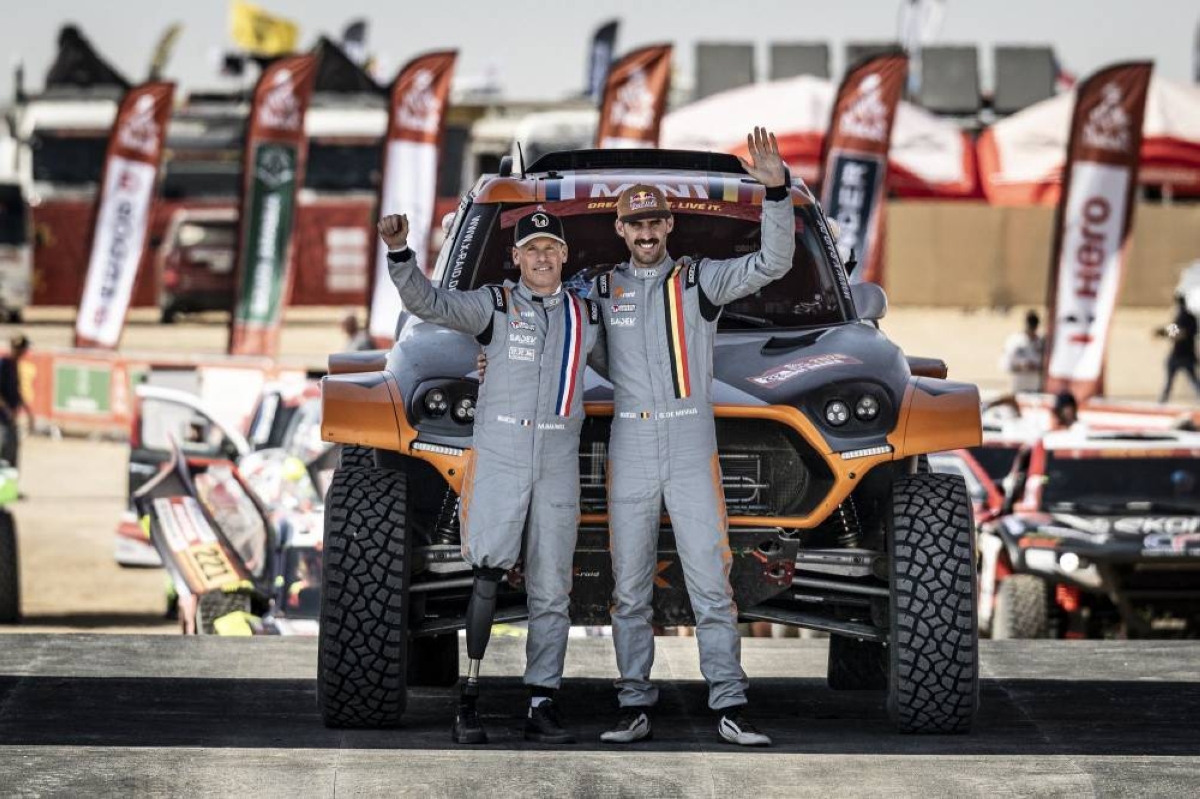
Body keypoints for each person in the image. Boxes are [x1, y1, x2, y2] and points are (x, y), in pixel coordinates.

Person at [594, 127, 794, 747]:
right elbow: (549, 328)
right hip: (630, 441)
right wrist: (492, 357)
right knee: (628, 586)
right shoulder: (599, 289)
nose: (646, 233)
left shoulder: (699, 281)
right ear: (622, 230)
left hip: (689, 440)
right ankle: (632, 702)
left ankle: (730, 702)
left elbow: (773, 263)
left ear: (668, 226)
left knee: (711, 580)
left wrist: (777, 194)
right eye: (636, 224)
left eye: (654, 223)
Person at [380, 209, 602, 746]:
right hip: (501, 454)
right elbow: (429, 304)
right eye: (532, 249)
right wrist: (400, 254)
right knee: (486, 573)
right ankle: (470, 699)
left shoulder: (587, 315)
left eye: (550, 248)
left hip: (558, 457)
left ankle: (542, 702)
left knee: (552, 588)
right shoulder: (494, 305)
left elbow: (636, 361)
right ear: (517, 258)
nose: (542, 257)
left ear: (564, 255)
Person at [1156, 293, 1200, 403]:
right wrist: (1165, 332)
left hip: (1181, 354)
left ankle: (1162, 401)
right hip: (1185, 354)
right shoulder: (1189, 317)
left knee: (1171, 381)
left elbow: (1179, 334)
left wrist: (1163, 332)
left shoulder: (1182, 317)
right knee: (1191, 380)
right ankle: (1162, 401)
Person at [0, 334, 33, 467]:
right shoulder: (3, 364)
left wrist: (28, 412)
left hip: (10, 418)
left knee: (12, 454)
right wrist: (7, 410)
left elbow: (17, 391)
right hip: (2, 419)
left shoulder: (14, 365)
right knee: (4, 455)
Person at [999, 310, 1045, 394]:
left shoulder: (1041, 342)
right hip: (1018, 388)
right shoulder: (1014, 341)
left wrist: (1037, 366)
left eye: (1034, 324)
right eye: (1030, 324)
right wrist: (1022, 366)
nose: (1032, 327)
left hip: (1036, 389)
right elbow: (1005, 364)